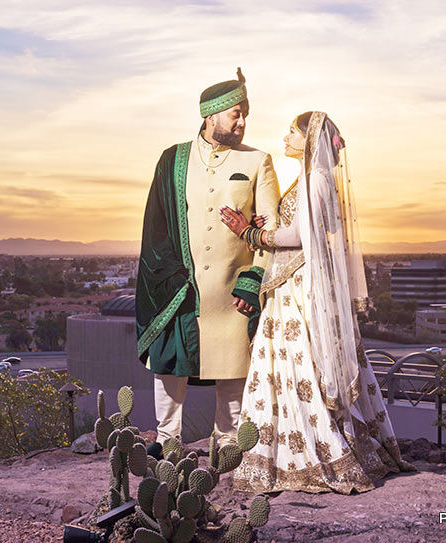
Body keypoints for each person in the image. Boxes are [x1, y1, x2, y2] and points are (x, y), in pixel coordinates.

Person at [220, 111, 415, 494]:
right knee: (294, 360)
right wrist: (263, 227)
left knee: (295, 361)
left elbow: (298, 236)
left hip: (298, 286)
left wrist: (250, 232)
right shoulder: (317, 179)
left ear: (309, 139)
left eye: (292, 133)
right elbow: (302, 228)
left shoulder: (315, 179)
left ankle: (311, 452)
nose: (285, 138)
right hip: (299, 280)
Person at [135, 69, 281, 448]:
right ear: (211, 115)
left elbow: (273, 229)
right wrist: (168, 278)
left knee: (234, 366)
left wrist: (253, 282)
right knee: (169, 361)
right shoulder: (173, 160)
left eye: (246, 113)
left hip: (233, 289)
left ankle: (228, 445)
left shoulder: (259, 161)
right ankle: (167, 439)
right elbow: (156, 227)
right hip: (182, 287)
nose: (243, 121)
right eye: (236, 113)